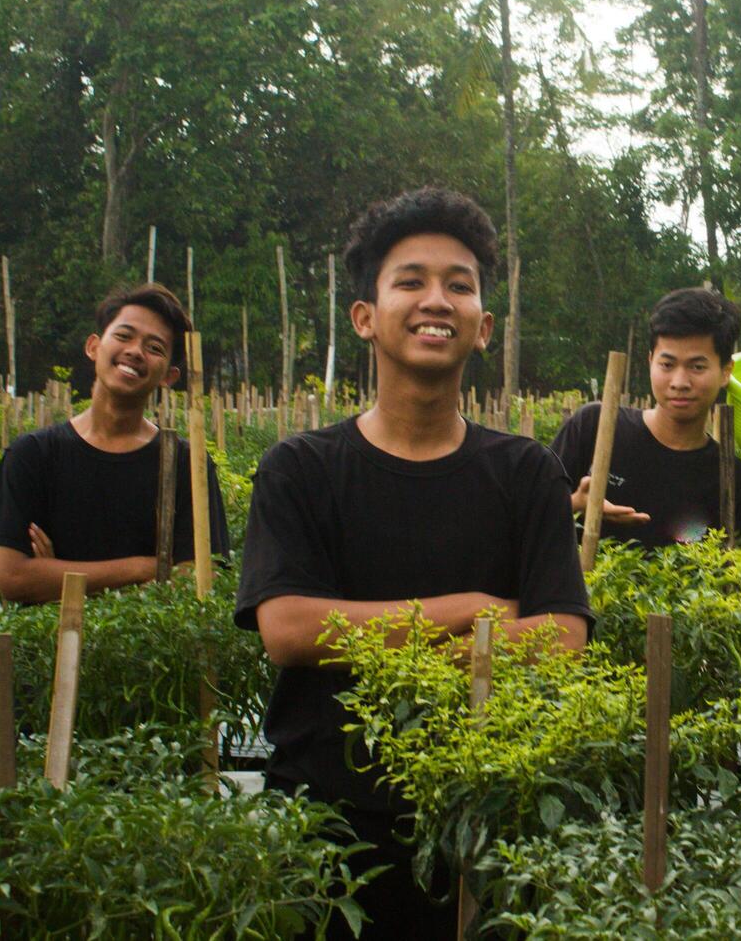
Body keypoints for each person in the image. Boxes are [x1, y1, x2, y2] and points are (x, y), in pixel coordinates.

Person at [234, 186, 592, 939]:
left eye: (458, 285)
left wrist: (381, 644)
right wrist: (469, 612)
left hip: (483, 819)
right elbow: (290, 629)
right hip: (325, 824)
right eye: (411, 281)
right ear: (364, 316)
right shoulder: (299, 468)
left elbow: (561, 636)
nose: (438, 300)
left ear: (484, 327)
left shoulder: (526, 473)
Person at [0, 284, 229, 604]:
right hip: (47, 651)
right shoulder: (32, 455)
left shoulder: (186, 463)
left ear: (169, 376)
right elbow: (14, 579)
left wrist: (56, 573)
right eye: (124, 336)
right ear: (93, 346)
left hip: (146, 654)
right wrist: (146, 568)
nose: (135, 352)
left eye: (155, 348)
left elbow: (198, 583)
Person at [550, 286, 741, 550]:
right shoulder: (593, 428)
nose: (679, 382)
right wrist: (574, 504)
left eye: (697, 367)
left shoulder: (738, 484)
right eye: (667, 365)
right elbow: (523, 519)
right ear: (650, 361)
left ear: (725, 371)